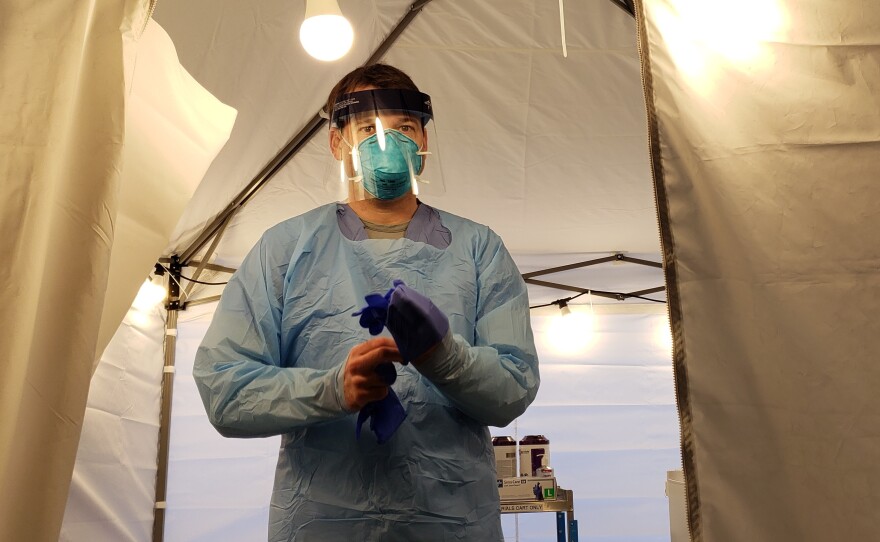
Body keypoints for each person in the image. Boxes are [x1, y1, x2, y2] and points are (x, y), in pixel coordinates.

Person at [193, 63, 540, 541]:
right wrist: (333, 389)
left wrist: (445, 357)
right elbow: (225, 391)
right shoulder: (285, 250)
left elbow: (514, 388)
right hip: (323, 521)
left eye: (404, 129)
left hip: (450, 520)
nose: (388, 143)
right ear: (338, 143)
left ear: (422, 147)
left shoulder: (478, 250)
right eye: (368, 129)